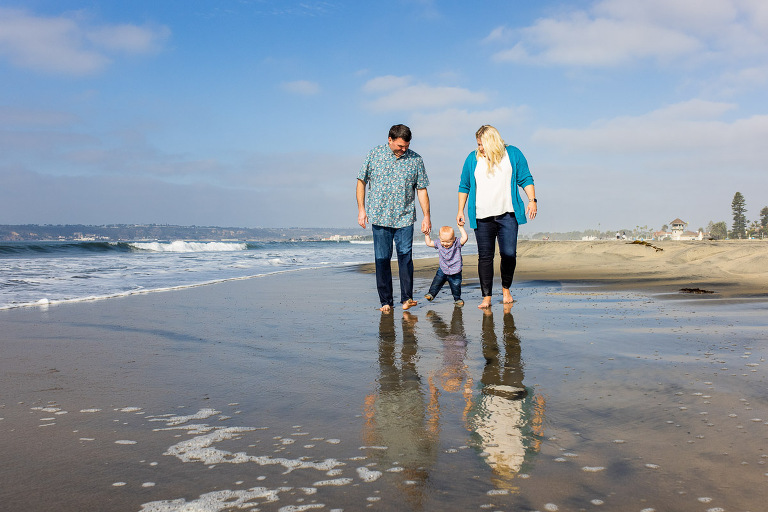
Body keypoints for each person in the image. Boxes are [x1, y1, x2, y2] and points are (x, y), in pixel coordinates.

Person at [456, 125, 536, 309]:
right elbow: (464, 185)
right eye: (478, 144)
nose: (480, 148)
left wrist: (532, 200)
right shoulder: (472, 158)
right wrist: (460, 210)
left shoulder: (513, 154)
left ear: (492, 142)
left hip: (508, 214)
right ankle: (487, 297)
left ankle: (506, 288)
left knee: (509, 254)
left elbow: (525, 178)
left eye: (482, 144)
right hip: (482, 216)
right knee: (485, 257)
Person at [357, 124, 431, 312]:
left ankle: (407, 298)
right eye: (400, 146)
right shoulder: (374, 155)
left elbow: (421, 189)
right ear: (389, 139)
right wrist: (361, 209)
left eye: (406, 146)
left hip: (405, 218)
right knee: (382, 259)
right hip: (379, 217)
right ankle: (386, 302)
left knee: (405, 258)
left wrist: (426, 216)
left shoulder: (415, 159)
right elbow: (361, 181)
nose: (403, 150)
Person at [423, 224, 468, 306]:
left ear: (453, 239)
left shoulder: (456, 243)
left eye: (448, 241)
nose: (445, 244)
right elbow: (429, 243)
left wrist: (461, 228)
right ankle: (431, 294)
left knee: (456, 286)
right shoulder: (438, 243)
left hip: (455, 270)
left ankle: (457, 299)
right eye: (443, 241)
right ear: (439, 239)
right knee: (436, 282)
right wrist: (427, 235)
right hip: (443, 269)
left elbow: (464, 238)